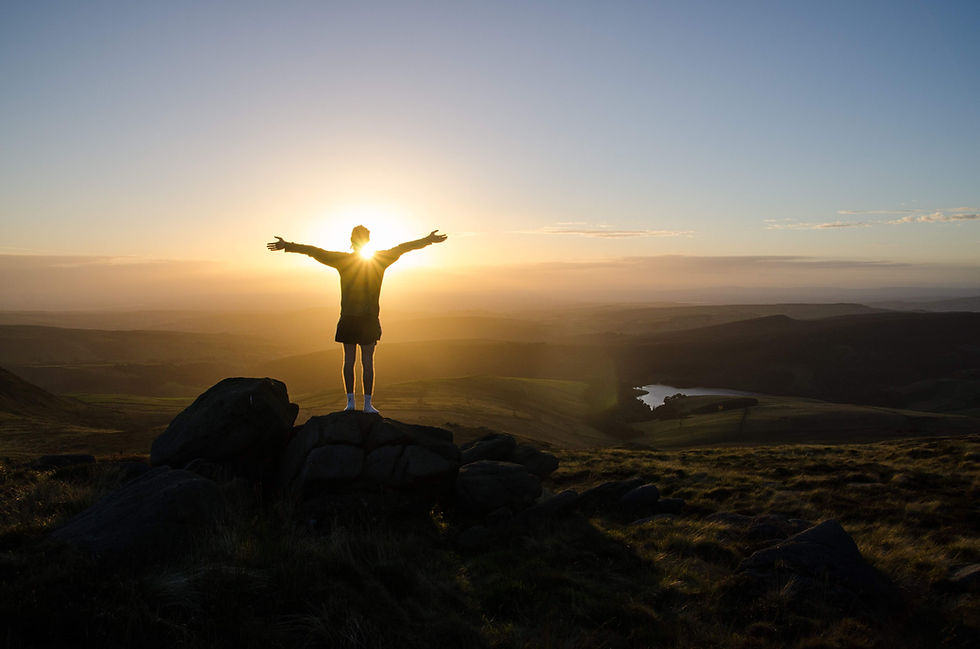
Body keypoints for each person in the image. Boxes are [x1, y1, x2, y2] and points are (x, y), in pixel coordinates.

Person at [267, 226, 447, 414]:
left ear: (352, 240)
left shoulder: (343, 260)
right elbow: (403, 247)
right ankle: (367, 405)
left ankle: (350, 404)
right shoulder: (380, 260)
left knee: (349, 361)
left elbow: (314, 252)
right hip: (368, 319)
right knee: (368, 361)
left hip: (349, 318)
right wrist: (427, 240)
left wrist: (287, 245)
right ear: (368, 240)